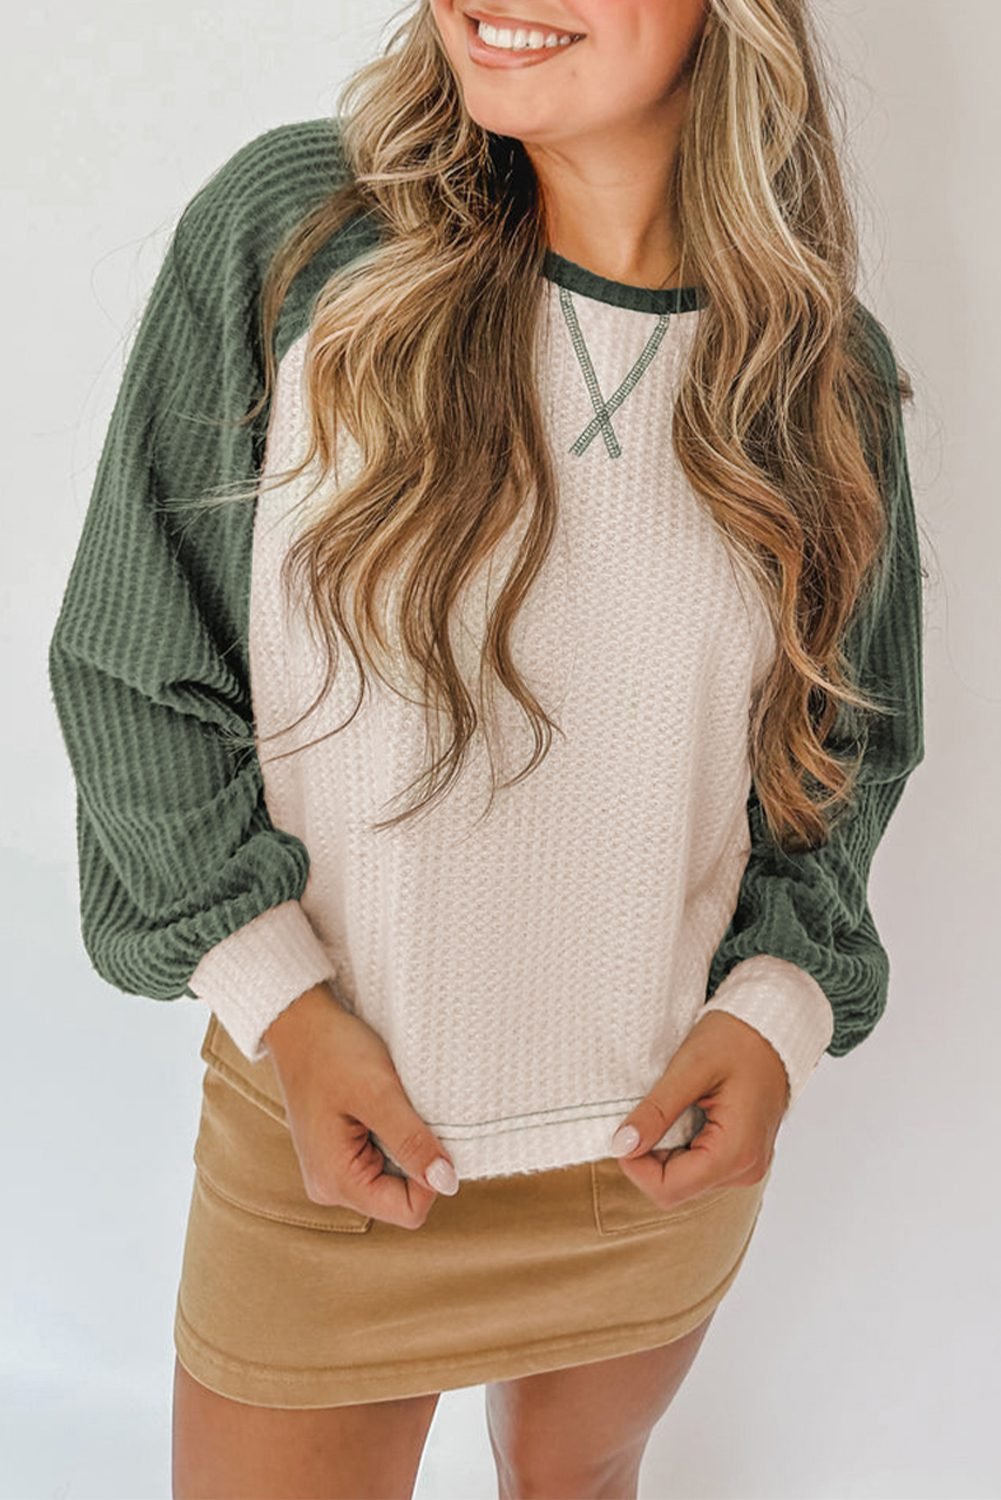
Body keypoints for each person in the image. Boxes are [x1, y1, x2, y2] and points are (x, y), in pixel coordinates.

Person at [48, 1, 925, 1496]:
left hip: (652, 1151)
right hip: (326, 1126)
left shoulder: (815, 369)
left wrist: (774, 1008)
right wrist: (284, 1007)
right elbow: (137, 668)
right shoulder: (302, 234)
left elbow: (844, 743)